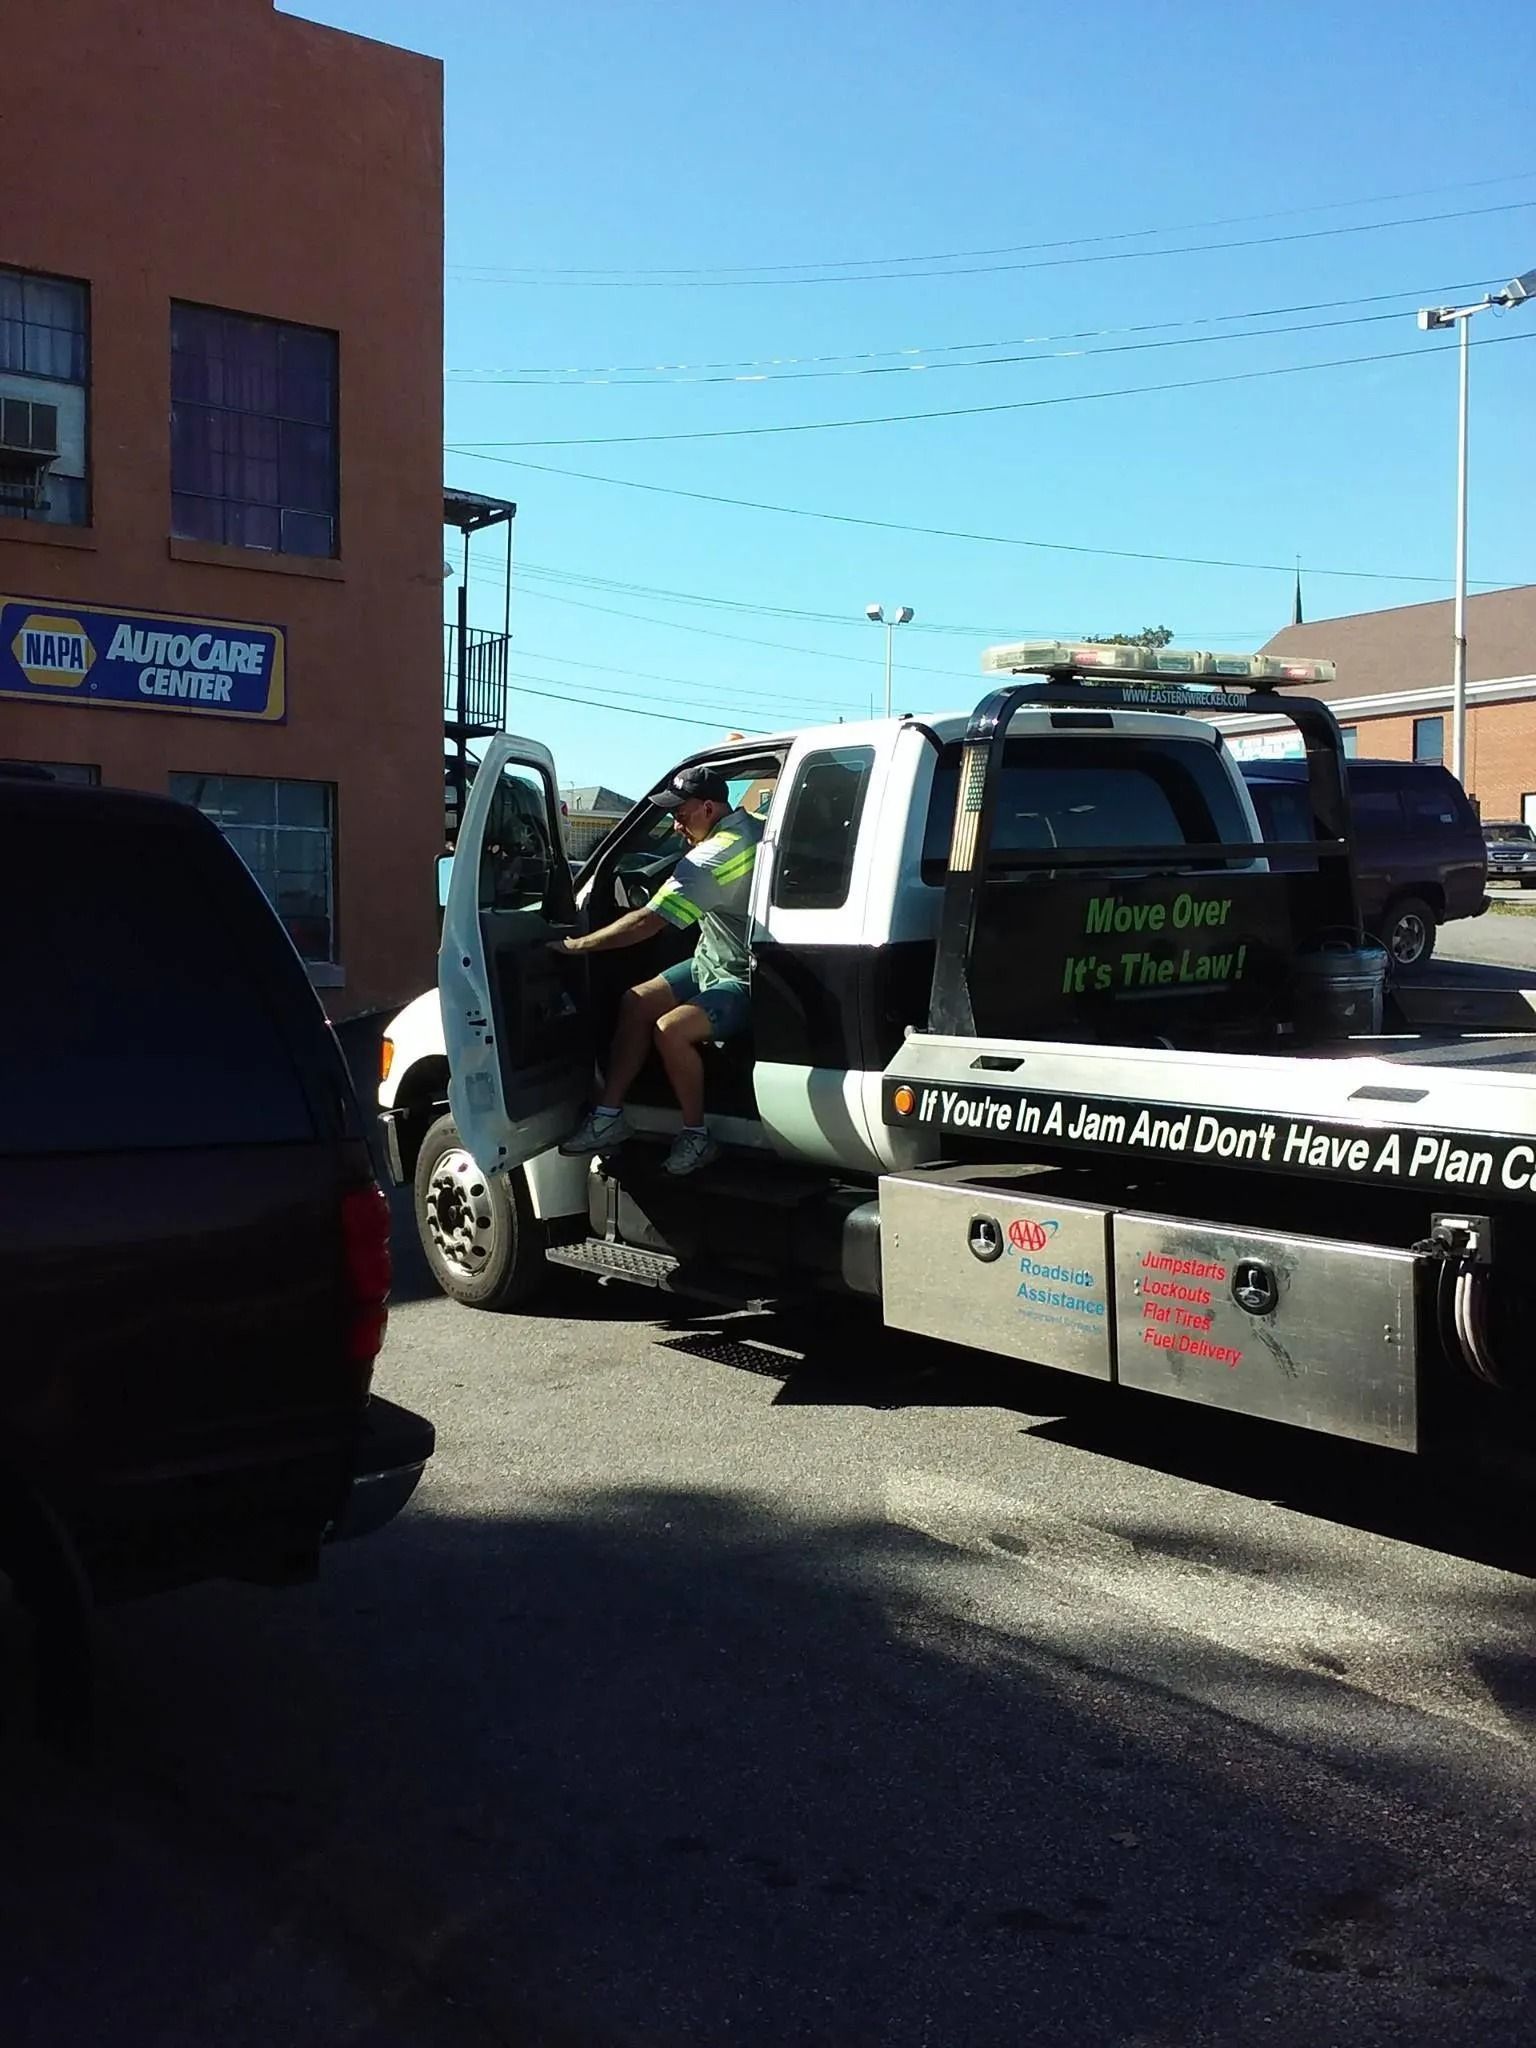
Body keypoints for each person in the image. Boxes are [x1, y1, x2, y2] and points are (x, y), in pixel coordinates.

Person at [552, 766, 762, 1176]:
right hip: (710, 962)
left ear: (707, 807)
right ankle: (609, 1116)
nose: (675, 823)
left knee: (671, 1030)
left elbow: (647, 922)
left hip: (744, 977)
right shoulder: (751, 829)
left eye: (680, 814)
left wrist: (577, 946)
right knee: (636, 1001)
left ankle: (696, 1136)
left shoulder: (714, 855)